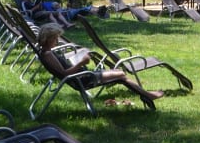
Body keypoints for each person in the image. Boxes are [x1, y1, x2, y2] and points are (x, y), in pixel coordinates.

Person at [36, 23, 164, 104]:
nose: (57, 41)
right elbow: (64, 74)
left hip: (82, 76)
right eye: (55, 38)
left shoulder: (45, 52)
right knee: (121, 74)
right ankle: (148, 95)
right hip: (83, 79)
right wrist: (81, 62)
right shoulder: (48, 54)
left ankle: (147, 95)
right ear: (48, 39)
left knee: (120, 75)